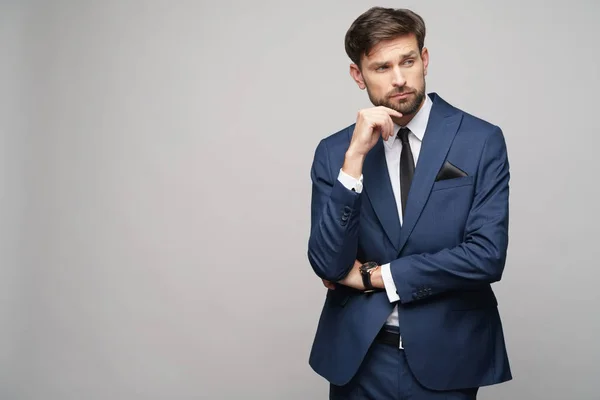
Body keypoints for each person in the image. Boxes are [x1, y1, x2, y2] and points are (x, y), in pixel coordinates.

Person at [306, 7, 512, 399]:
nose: (399, 79)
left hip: (448, 357)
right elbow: (328, 264)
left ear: (425, 59)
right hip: (359, 361)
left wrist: (375, 276)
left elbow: (486, 256)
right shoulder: (335, 152)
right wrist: (353, 162)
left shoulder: (480, 140)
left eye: (408, 61)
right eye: (382, 67)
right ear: (357, 75)